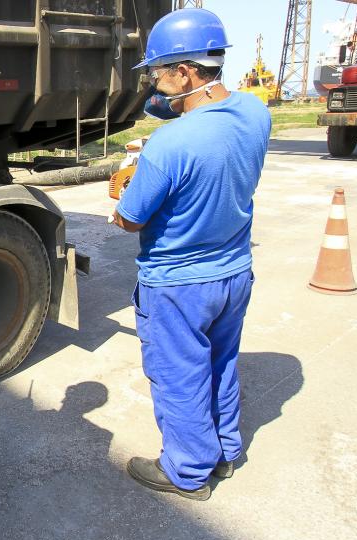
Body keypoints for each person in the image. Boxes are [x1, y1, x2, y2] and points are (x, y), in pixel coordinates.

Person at [112, 8, 271, 501]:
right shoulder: (256, 114)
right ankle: (224, 451)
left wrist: (126, 192)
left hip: (177, 283)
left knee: (179, 375)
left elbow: (131, 219)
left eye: (158, 75)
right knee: (221, 363)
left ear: (184, 72)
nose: (153, 86)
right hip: (234, 272)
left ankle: (187, 470)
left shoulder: (168, 145)